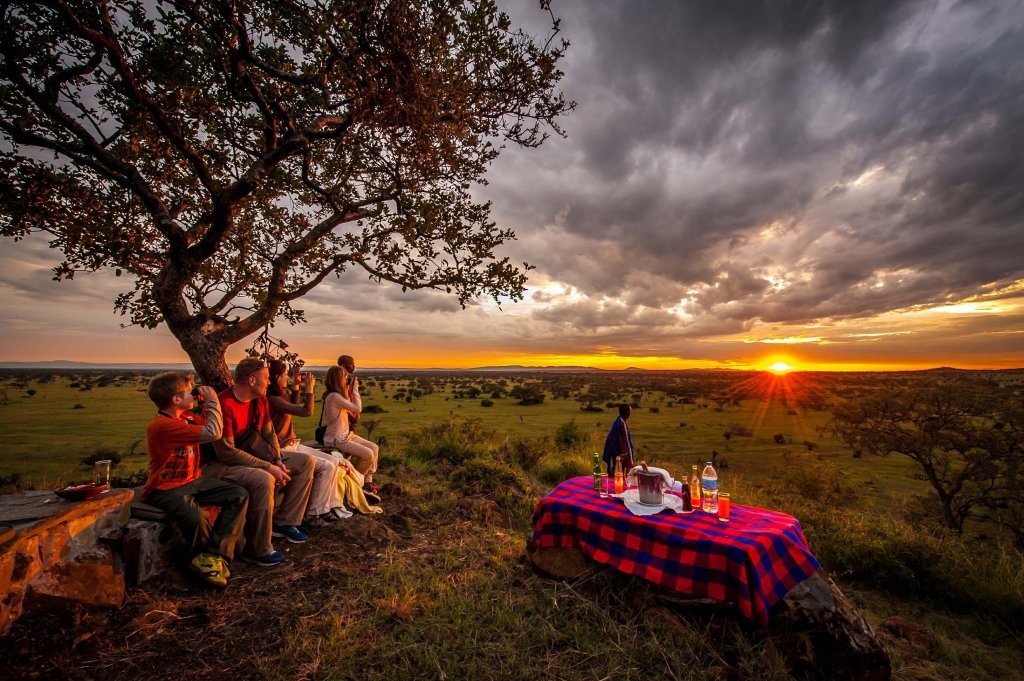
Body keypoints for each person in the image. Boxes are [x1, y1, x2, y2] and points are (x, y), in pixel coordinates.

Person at [205, 358, 315, 567]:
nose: (268, 382)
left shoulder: (260, 400)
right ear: (252, 380)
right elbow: (226, 452)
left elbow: (269, 432)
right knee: (263, 479)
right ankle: (258, 549)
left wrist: (277, 459)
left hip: (253, 455)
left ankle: (284, 522)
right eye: (265, 378)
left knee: (306, 462)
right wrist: (269, 466)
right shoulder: (224, 404)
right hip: (219, 464)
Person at [143, 372, 248, 588]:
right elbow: (213, 432)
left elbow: (210, 423)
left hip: (193, 481)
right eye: (189, 392)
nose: (193, 394)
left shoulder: (185, 418)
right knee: (195, 518)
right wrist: (213, 400)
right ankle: (200, 561)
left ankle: (215, 556)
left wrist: (204, 405)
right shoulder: (162, 425)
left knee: (238, 494)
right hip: (165, 488)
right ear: (176, 400)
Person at [266, 359, 351, 525]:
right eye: (284, 374)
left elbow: (291, 405)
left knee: (333, 461)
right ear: (277, 377)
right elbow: (306, 411)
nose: (287, 377)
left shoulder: (278, 397)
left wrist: (296, 386)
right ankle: (314, 514)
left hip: (292, 444)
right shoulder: (272, 399)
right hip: (283, 448)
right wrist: (309, 390)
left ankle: (326, 508)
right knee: (326, 466)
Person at [323, 364, 380, 497]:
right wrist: (355, 389)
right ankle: (354, 483)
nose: (346, 380)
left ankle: (367, 481)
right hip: (336, 439)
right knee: (368, 454)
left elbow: (351, 410)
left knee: (374, 447)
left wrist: (347, 389)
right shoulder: (333, 397)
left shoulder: (338, 396)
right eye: (345, 377)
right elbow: (357, 408)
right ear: (338, 379)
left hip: (347, 435)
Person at [602, 404, 635, 476]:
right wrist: (618, 454)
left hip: (623, 456)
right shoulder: (618, 424)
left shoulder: (622, 422)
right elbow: (610, 439)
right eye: (629, 411)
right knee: (617, 476)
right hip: (618, 458)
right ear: (627, 412)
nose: (630, 413)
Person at [336, 354, 359, 432]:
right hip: (341, 421)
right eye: (352, 364)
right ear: (343, 365)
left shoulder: (347, 381)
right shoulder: (338, 384)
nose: (354, 366)